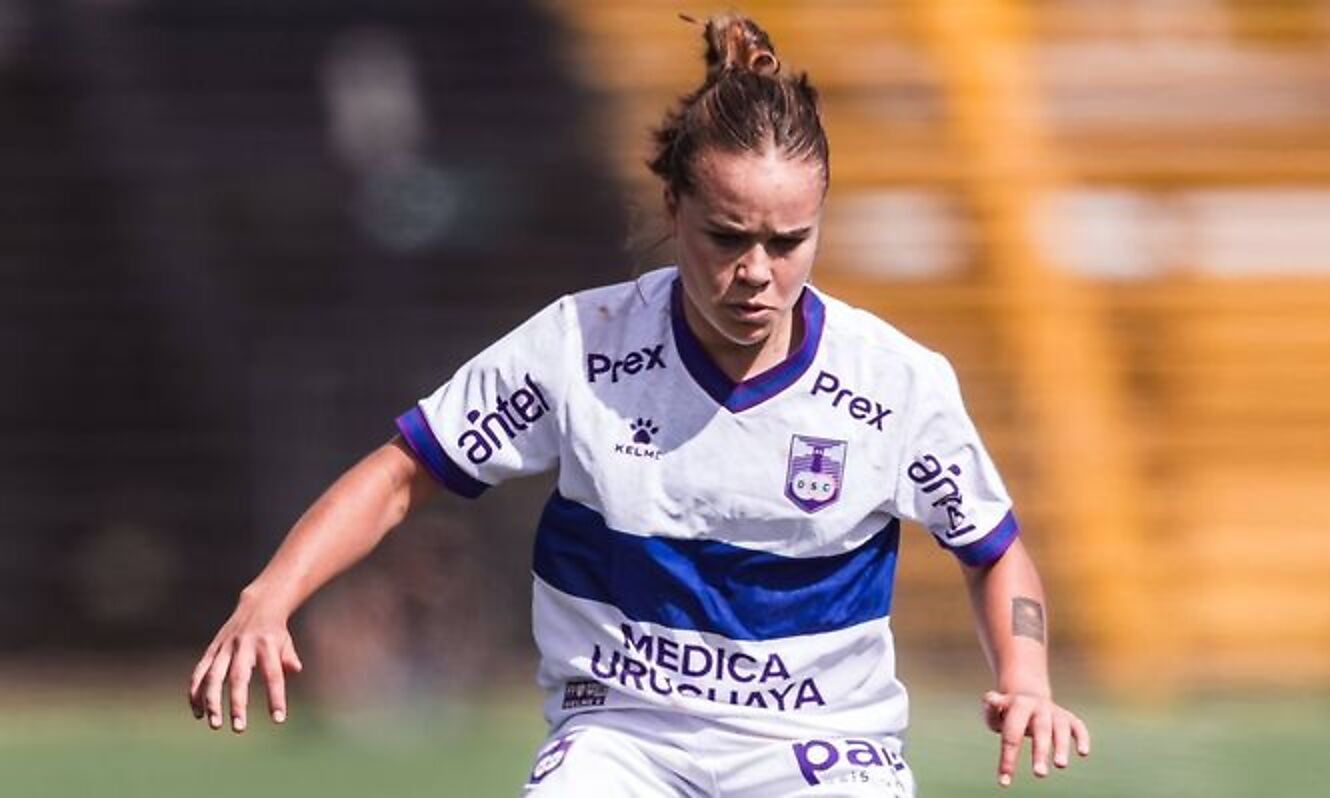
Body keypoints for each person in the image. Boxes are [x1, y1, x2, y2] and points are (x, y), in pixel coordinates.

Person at [188, 13, 1090, 796]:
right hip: (623, 737)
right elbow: (402, 474)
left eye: (788, 242)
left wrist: (1028, 677)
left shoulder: (895, 384)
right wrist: (271, 596)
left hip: (821, 748)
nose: (757, 272)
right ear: (673, 206)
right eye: (727, 236)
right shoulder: (578, 348)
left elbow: (991, 551)